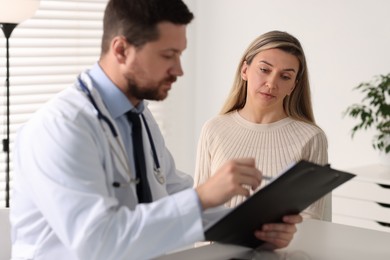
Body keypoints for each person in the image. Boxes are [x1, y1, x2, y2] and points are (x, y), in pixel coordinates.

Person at [9, 2, 302, 260]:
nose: (179, 69)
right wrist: (201, 196)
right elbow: (96, 244)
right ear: (121, 50)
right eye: (168, 55)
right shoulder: (61, 128)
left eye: (180, 55)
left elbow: (169, 196)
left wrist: (256, 227)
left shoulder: (139, 117)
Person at [194, 30, 330, 220]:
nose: (271, 83)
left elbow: (312, 219)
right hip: (217, 249)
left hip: (282, 249)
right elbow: (200, 209)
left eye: (285, 77)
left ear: (293, 86)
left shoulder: (311, 138)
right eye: (264, 70)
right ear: (244, 71)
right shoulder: (214, 129)